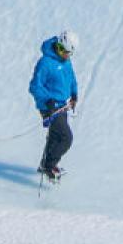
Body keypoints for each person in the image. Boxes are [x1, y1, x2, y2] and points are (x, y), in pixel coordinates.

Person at [31, 32, 78, 183]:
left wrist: (74, 93)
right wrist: (47, 102)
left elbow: (71, 78)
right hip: (50, 107)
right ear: (58, 47)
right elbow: (35, 87)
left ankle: (44, 164)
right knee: (66, 138)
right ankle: (49, 166)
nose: (67, 56)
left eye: (70, 53)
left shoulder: (66, 61)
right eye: (64, 52)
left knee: (55, 136)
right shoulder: (45, 63)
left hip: (62, 106)